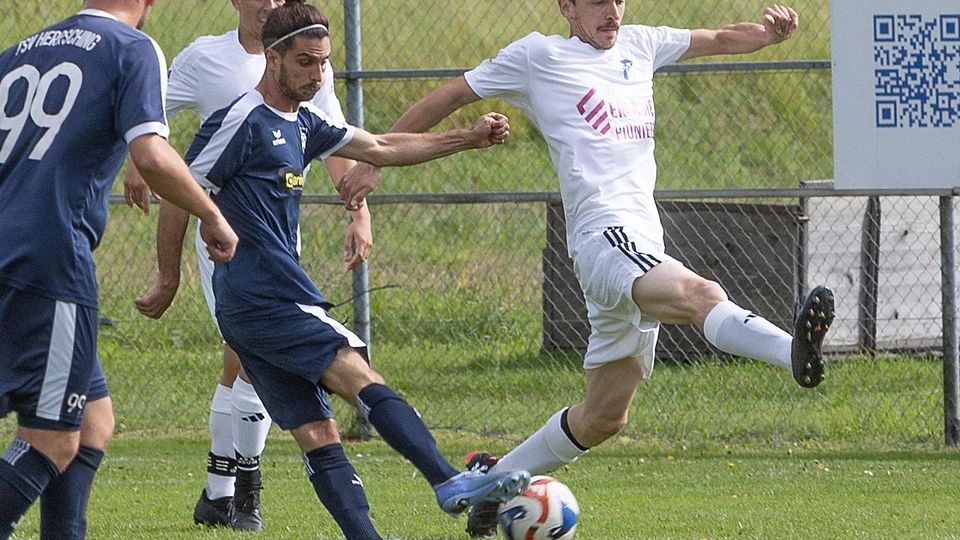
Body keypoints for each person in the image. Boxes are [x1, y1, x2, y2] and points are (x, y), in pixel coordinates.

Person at [335, 1, 835, 537]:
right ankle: (793, 354)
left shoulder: (642, 45)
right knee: (700, 294)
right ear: (566, 6)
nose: (611, 11)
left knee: (603, 417)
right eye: (596, 1)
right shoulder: (537, 55)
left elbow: (716, 37)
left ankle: (491, 483)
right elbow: (448, 96)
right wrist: (373, 163)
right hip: (604, 238)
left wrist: (766, 36)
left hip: (638, 245)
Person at [176, 2, 530, 538]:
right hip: (262, 297)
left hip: (255, 307)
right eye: (305, 63)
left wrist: (468, 137)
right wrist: (166, 275)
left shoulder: (306, 122)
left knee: (317, 431)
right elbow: (176, 184)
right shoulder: (242, 121)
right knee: (358, 372)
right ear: (273, 60)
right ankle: (446, 480)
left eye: (323, 62)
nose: (317, 74)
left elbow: (383, 147)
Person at [126, 0, 372, 531]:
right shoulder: (205, 58)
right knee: (250, 352)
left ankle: (220, 491)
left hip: (284, 240)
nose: (270, 3)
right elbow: (147, 114)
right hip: (226, 239)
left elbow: (332, 136)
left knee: (241, 362)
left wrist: (359, 210)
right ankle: (245, 489)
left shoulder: (306, 58)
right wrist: (137, 160)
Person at [0, 1, 238, 539]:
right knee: (52, 439)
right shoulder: (132, 48)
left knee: (91, 422)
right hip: (49, 260)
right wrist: (211, 213)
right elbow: (151, 155)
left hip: (12, 249)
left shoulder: (16, 55)